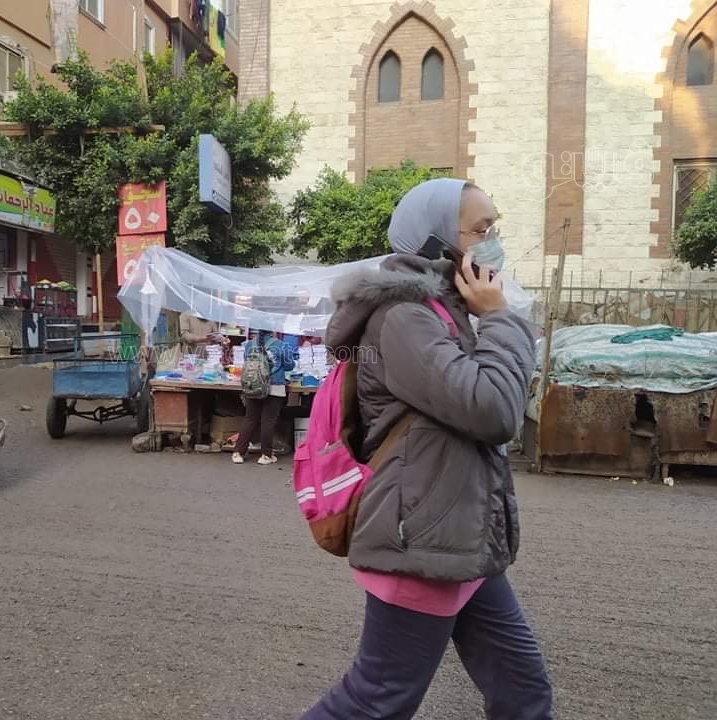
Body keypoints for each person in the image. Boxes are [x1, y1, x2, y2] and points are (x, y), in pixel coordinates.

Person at [304, 179, 552, 719]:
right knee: (376, 701)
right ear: (437, 241)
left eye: (494, 227)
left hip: (462, 534)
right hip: (421, 538)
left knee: (523, 691)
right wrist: (500, 317)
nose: (493, 242)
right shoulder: (405, 318)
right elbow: (494, 410)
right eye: (481, 230)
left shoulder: (445, 310)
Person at [233, 329, 295, 466]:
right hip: (274, 387)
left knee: (250, 419)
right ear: (272, 330)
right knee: (268, 421)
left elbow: (246, 362)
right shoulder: (281, 345)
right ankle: (266, 455)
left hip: (253, 386)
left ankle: (238, 453)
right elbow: (290, 366)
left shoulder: (249, 345)